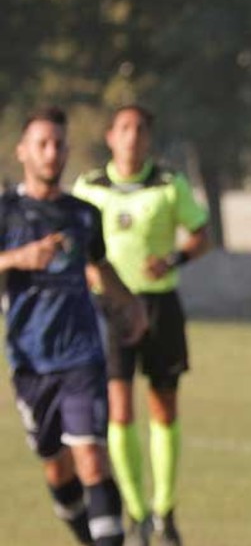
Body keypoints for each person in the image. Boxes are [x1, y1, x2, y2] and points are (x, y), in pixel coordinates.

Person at [2, 106, 147, 546]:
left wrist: (131, 304)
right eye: (42, 144)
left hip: (82, 355)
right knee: (57, 468)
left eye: (59, 144)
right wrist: (18, 259)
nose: (52, 153)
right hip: (30, 361)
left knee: (91, 457)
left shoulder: (84, 214)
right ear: (22, 151)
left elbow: (100, 267)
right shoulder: (6, 212)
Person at [72, 105, 211, 546]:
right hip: (107, 309)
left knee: (163, 407)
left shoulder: (169, 184)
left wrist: (173, 258)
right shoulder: (89, 188)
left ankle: (164, 511)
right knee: (119, 410)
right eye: (125, 128)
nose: (132, 136)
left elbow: (200, 235)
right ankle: (136, 513)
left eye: (140, 129)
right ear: (111, 137)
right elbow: (75, 244)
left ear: (148, 139)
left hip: (159, 305)